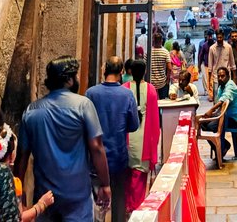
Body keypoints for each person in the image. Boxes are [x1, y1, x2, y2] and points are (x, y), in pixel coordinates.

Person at [16, 57, 111, 222]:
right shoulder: (83, 105)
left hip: (45, 198)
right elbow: (96, 147)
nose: (78, 80)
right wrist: (105, 184)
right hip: (77, 196)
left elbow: (22, 158)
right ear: (68, 80)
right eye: (76, 76)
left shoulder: (31, 111)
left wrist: (18, 195)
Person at [85, 57, 140, 222]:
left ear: (104, 69)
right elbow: (134, 125)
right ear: (121, 72)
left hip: (94, 159)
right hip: (118, 156)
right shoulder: (127, 94)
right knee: (118, 199)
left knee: (95, 203)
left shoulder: (91, 93)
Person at [125, 58, 160, 213]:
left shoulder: (125, 88)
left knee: (128, 174)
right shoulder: (151, 90)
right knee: (139, 177)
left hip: (128, 138)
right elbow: (155, 120)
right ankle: (137, 206)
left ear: (130, 71)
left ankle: (127, 205)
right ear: (145, 72)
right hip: (144, 139)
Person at [197, 66, 237, 160]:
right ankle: (222, 146)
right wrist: (211, 114)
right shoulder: (221, 87)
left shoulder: (230, 85)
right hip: (225, 115)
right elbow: (219, 105)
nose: (220, 78)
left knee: (212, 126)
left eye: (222, 76)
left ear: (228, 76)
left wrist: (211, 110)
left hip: (234, 118)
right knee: (202, 124)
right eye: (219, 76)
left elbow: (223, 100)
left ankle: (221, 148)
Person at [207, 28, 236, 98]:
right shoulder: (212, 48)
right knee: (217, 99)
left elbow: (232, 63)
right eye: (218, 37)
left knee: (227, 98)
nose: (219, 39)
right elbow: (210, 66)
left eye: (220, 37)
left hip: (227, 77)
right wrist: (209, 81)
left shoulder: (228, 47)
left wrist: (234, 77)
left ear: (223, 36)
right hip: (216, 78)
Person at [150, 31, 172, 100]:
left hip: (151, 82)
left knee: (152, 101)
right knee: (162, 102)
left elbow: (145, 68)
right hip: (162, 82)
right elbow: (169, 68)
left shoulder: (148, 52)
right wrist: (168, 79)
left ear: (153, 40)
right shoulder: (165, 52)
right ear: (161, 40)